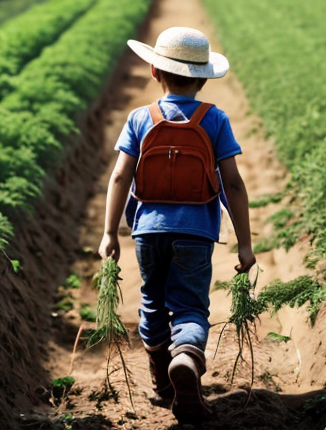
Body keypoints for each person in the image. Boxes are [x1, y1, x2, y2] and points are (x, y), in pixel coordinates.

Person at [98, 26, 256, 424]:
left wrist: (108, 233)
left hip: (147, 230)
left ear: (155, 72)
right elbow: (233, 183)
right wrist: (245, 244)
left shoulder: (139, 118)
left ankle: (163, 384)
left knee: (152, 300)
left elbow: (119, 177)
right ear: (203, 79)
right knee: (189, 305)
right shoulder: (214, 120)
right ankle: (185, 356)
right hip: (196, 232)